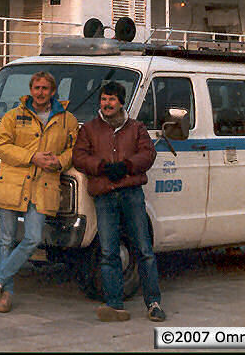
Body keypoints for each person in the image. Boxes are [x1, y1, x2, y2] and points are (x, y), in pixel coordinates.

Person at [0, 71, 79, 313]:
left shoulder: (68, 120)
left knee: (33, 238)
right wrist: (32, 157)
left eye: (45, 88)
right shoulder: (14, 116)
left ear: (53, 91)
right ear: (30, 89)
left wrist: (59, 162)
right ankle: (6, 293)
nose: (40, 92)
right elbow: (1, 146)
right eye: (36, 87)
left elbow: (73, 149)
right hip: (14, 184)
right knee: (6, 239)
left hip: (43, 187)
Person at [71, 81, 166, 323]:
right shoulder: (89, 129)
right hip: (103, 195)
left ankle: (153, 303)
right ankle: (114, 304)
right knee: (108, 251)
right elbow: (79, 156)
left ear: (121, 102)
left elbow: (148, 154)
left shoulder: (136, 128)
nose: (107, 103)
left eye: (112, 99)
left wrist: (126, 166)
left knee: (143, 249)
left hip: (131, 194)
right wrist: (101, 167)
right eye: (104, 99)